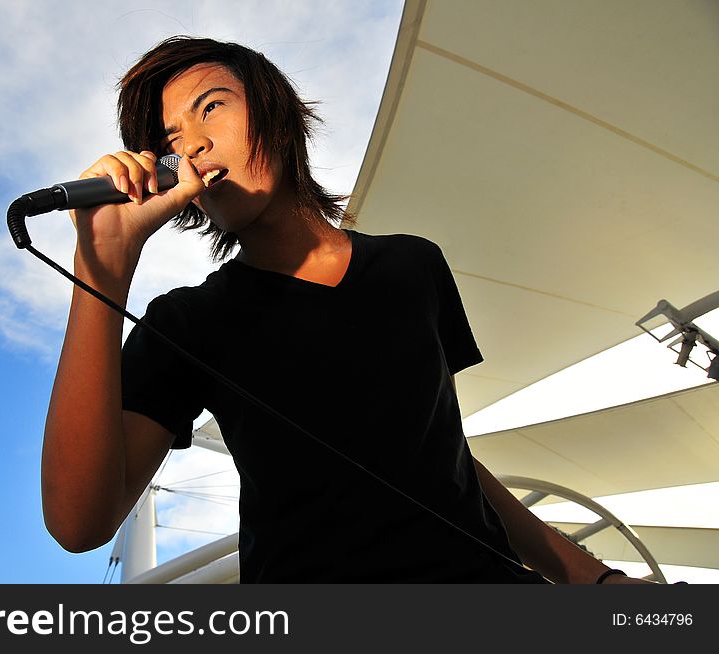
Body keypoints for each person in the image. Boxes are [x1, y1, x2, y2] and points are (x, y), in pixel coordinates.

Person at [41, 36, 650, 584]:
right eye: (171, 140)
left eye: (210, 107)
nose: (193, 143)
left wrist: (589, 578)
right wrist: (104, 263)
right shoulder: (187, 322)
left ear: (279, 116)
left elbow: (446, 455)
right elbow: (78, 524)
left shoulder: (415, 266)